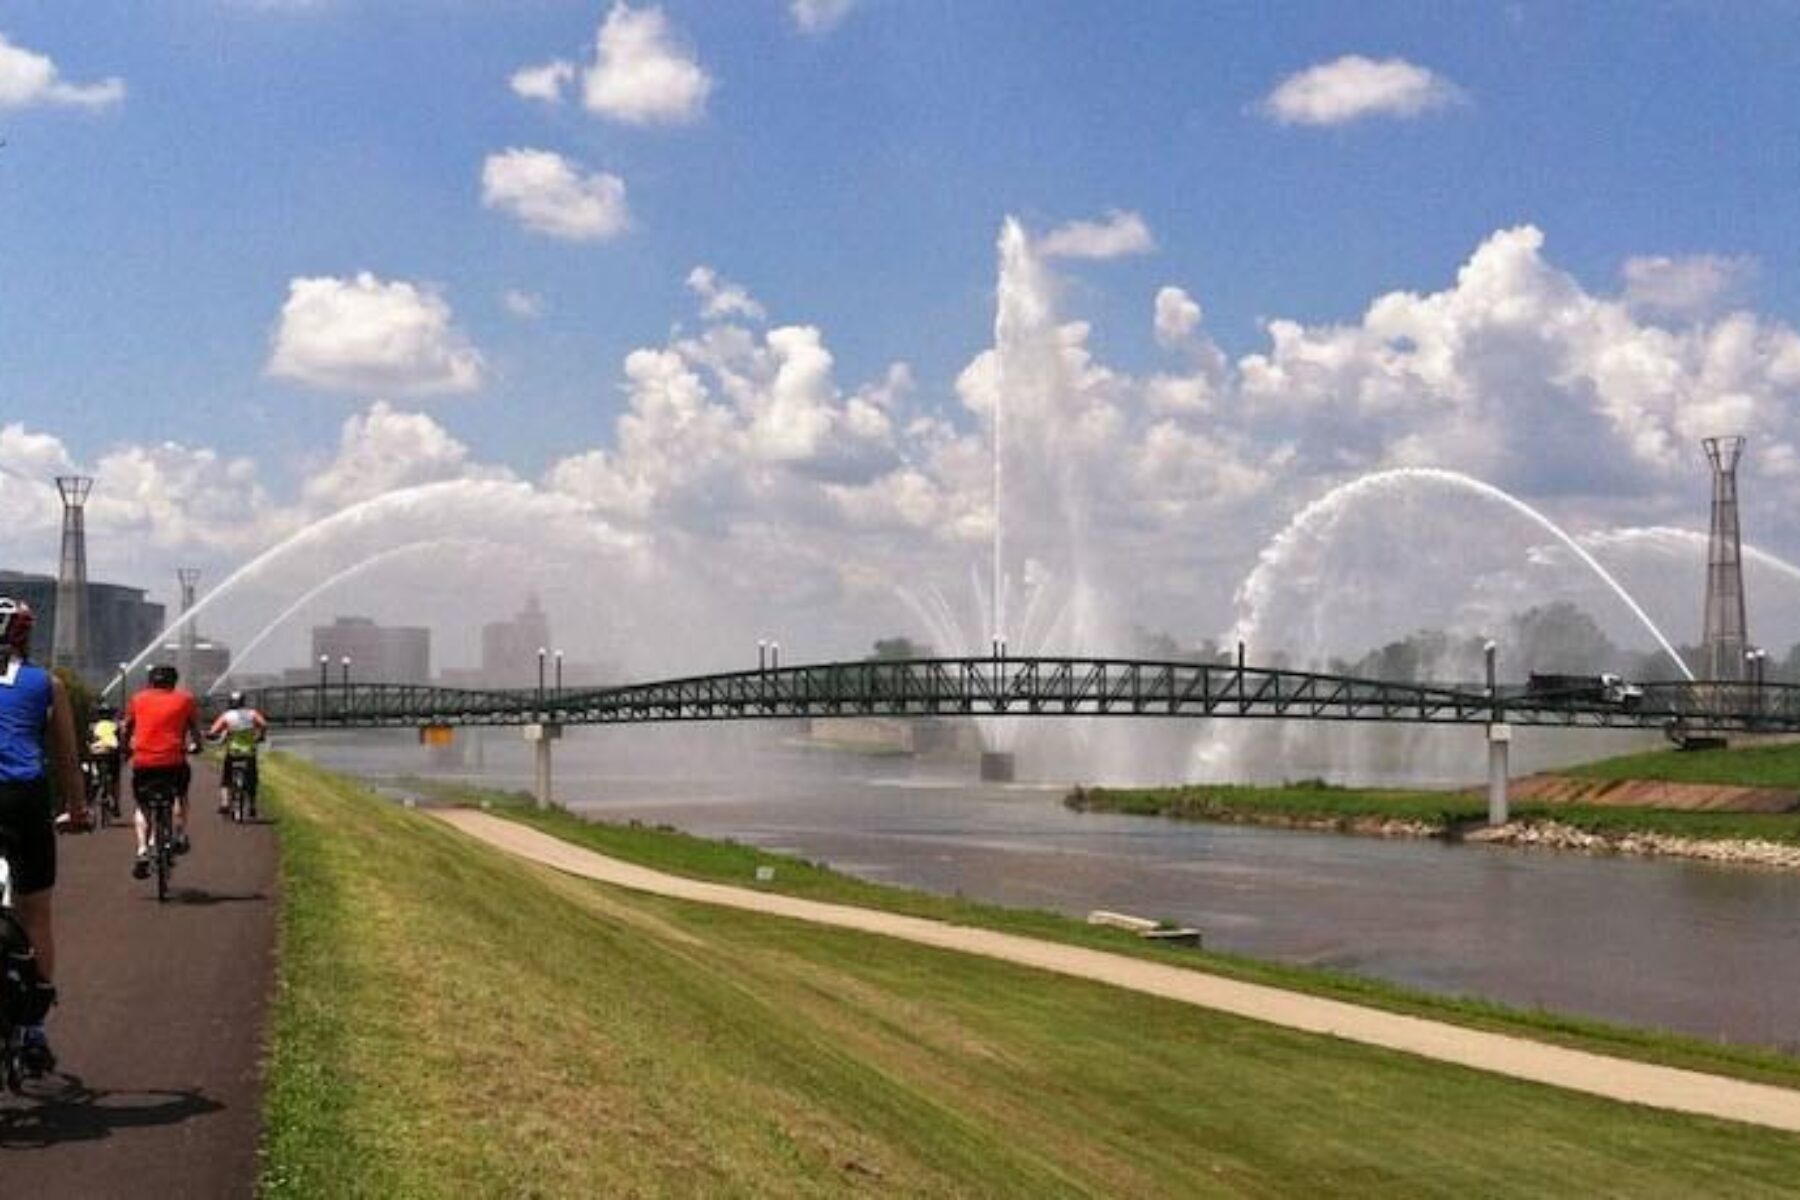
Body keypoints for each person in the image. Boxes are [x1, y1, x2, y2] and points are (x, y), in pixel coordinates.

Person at [0, 597, 86, 1074]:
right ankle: (33, 1030)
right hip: (24, 797)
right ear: (24, 636)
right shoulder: (47, 684)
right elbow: (67, 756)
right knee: (35, 911)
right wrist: (77, 808)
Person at [122, 663, 203, 879]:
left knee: (142, 805)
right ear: (174, 682)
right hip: (174, 762)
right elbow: (195, 729)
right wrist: (197, 746)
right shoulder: (185, 700)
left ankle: (142, 850)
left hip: (143, 763)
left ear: (151, 681)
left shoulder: (137, 699)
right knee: (180, 795)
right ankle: (180, 834)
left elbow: (127, 727)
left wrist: (125, 749)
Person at [207, 691, 268, 817]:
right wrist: (261, 736)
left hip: (233, 752)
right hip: (249, 752)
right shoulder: (252, 713)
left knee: (226, 778)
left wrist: (212, 735)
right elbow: (263, 724)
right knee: (252, 779)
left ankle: (225, 803)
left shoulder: (226, 715)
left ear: (230, 702)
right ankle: (252, 806)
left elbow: (213, 730)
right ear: (243, 702)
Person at [86, 702, 122, 819]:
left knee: (92, 778)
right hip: (112, 755)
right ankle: (116, 803)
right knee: (115, 779)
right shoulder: (115, 726)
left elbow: (88, 741)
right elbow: (119, 742)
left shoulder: (92, 726)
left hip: (95, 755)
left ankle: (90, 804)